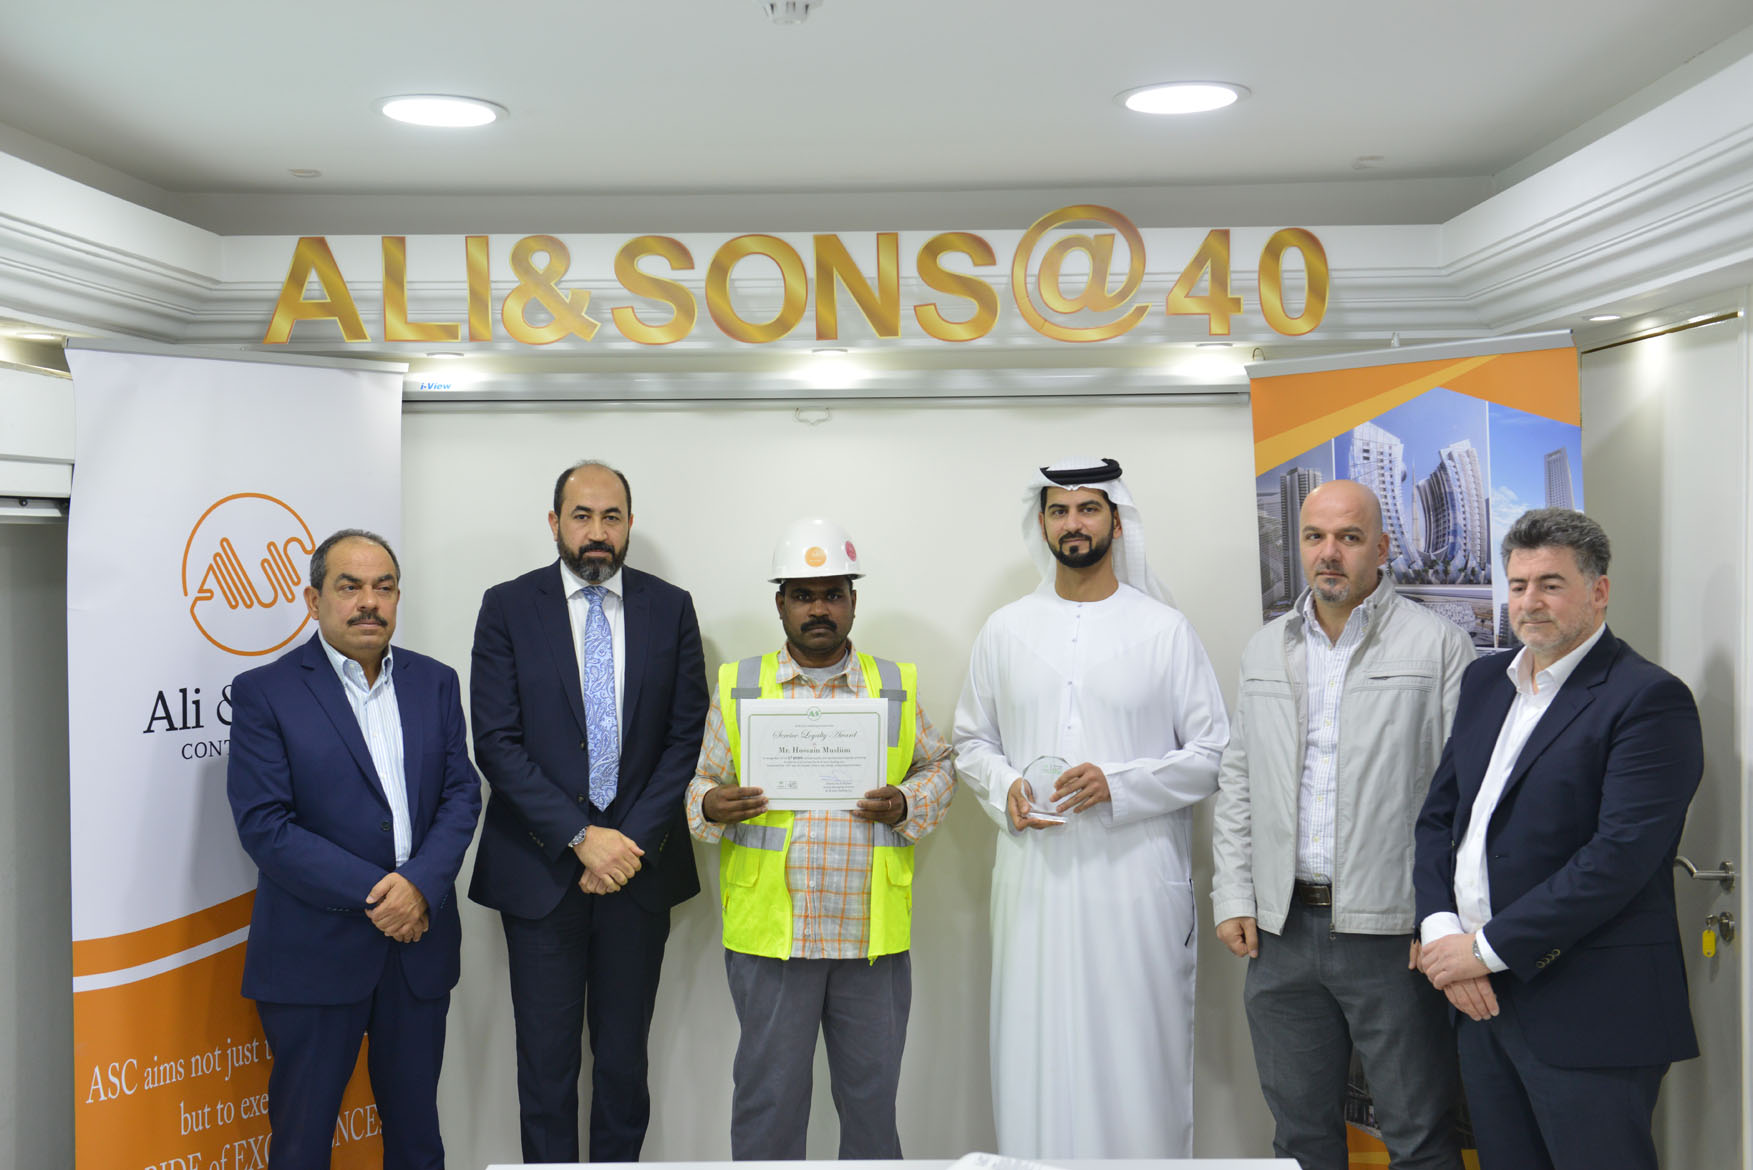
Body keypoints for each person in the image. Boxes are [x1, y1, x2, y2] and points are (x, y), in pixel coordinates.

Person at [953, 457, 1229, 1158]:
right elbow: (970, 741)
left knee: (1136, 1055)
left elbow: (1212, 754)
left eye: (1087, 508)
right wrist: (1003, 785)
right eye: (1058, 510)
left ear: (1116, 521)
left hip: (1135, 887)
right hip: (1033, 886)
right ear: (1042, 524)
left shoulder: (1165, 630)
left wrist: (1119, 784)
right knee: (1034, 1050)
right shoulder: (1005, 630)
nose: (1072, 523)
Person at [1413, 508, 1703, 1170]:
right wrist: (1441, 936)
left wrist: (1481, 951)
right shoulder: (1485, 681)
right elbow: (1439, 819)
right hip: (1480, 1003)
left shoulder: (1647, 699)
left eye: (1550, 584)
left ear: (1598, 591)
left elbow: (1616, 861)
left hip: (1589, 1008)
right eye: (1517, 585)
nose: (1529, 602)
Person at [1211, 480, 1471, 1170]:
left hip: (1392, 935)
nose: (1329, 553)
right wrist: (1233, 895)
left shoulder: (1438, 646)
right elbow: (1239, 780)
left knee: (1418, 1137)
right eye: (1314, 537)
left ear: (1381, 549)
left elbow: (1464, 798)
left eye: (1349, 538)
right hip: (1280, 934)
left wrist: (1439, 918)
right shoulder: (1265, 649)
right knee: (1300, 1141)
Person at [686, 517, 956, 1160]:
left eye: (833, 594)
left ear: (853, 602)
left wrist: (907, 802)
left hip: (869, 936)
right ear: (780, 603)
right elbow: (701, 786)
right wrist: (712, 806)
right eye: (803, 596)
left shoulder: (893, 684)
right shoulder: (740, 684)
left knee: (871, 1106)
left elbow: (940, 766)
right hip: (772, 939)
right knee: (768, 1103)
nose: (818, 609)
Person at [467, 461, 708, 1164]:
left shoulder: (671, 607)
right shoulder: (508, 607)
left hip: (638, 871)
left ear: (630, 524)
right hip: (540, 872)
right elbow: (496, 741)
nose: (596, 531)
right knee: (544, 1070)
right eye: (581, 516)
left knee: (624, 1068)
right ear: (555, 523)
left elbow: (684, 738)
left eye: (611, 517)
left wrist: (624, 843)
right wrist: (580, 837)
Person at [227, 529, 482, 1170]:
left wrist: (418, 885)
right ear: (314, 600)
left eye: (383, 587)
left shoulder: (434, 682)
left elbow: (461, 794)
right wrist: (382, 895)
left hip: (417, 950)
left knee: (417, 1141)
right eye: (350, 587)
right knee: (302, 1144)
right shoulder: (265, 692)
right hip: (314, 952)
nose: (369, 601)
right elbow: (266, 826)